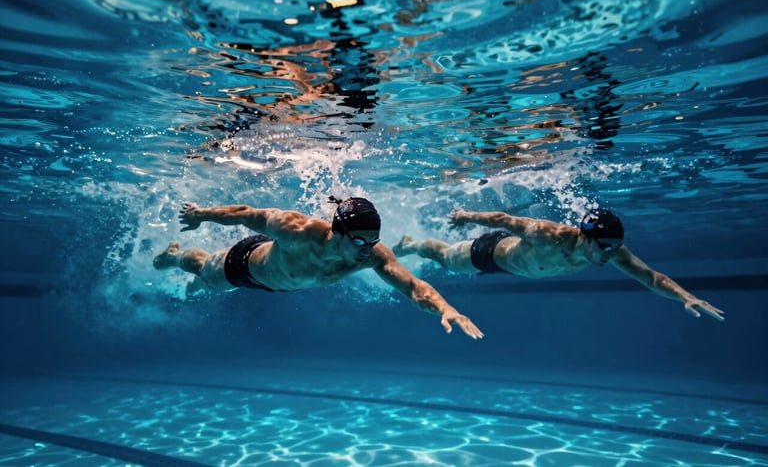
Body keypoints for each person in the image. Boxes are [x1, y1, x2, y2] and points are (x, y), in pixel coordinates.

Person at [153, 197, 484, 339]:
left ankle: (186, 278)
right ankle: (174, 255)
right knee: (204, 272)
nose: (365, 251)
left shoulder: (371, 255)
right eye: (357, 242)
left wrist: (444, 307)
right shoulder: (297, 230)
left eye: (372, 241)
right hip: (248, 265)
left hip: (278, 284)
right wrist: (200, 215)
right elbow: (245, 213)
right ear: (337, 231)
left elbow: (411, 285)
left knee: (197, 289)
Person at [393, 208, 725, 321]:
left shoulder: (611, 251)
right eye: (606, 247)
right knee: (446, 258)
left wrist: (684, 296)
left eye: (615, 248)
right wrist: (467, 217)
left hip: (517, 268)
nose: (611, 255)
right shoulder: (550, 234)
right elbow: (505, 219)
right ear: (586, 236)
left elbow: (651, 277)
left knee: (449, 261)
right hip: (493, 253)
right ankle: (412, 244)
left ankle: (416, 245)